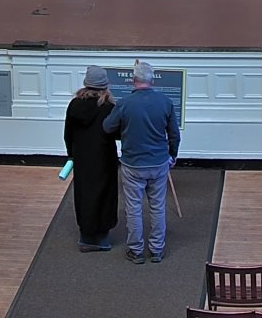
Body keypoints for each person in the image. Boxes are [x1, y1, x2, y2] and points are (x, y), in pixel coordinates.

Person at [102, 60, 179, 264]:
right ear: (152, 81)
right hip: (159, 162)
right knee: (158, 206)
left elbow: (107, 127)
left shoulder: (125, 103)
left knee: (134, 207)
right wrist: (173, 155)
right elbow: (174, 134)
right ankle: (157, 250)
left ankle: (136, 250)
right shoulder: (165, 102)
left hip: (133, 164)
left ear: (133, 80)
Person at [64, 66, 119, 251]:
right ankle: (102, 238)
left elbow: (68, 133)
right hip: (104, 158)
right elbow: (116, 133)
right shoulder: (109, 107)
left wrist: (71, 154)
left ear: (86, 83)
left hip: (82, 158)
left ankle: (85, 236)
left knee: (84, 194)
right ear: (105, 85)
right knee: (105, 195)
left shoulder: (74, 105)